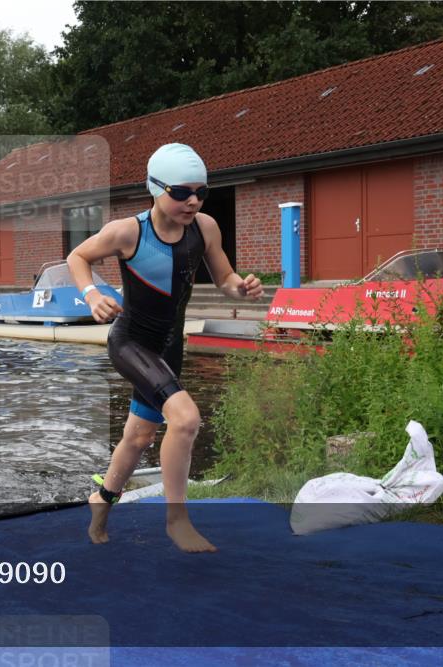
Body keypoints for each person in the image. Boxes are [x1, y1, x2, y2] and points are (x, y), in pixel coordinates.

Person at [67, 143, 263, 553]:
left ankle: (101, 499)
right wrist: (91, 295)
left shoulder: (205, 228)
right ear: (155, 189)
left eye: (200, 192)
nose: (193, 201)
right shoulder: (128, 232)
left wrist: (240, 288)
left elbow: (225, 278)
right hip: (131, 342)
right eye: (181, 193)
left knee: (138, 437)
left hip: (169, 348)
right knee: (186, 419)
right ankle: (177, 521)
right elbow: (78, 257)